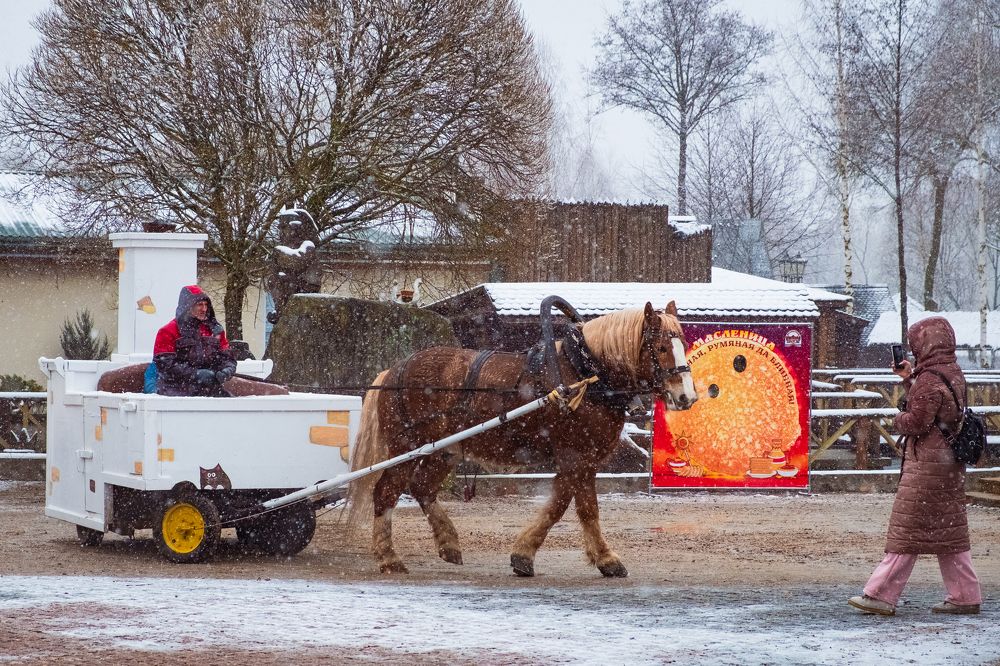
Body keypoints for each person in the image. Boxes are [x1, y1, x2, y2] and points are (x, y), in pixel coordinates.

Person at [849, 316, 982, 616]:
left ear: (925, 344)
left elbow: (917, 421)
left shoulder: (930, 379)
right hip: (947, 465)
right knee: (950, 533)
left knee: (906, 532)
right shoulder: (952, 372)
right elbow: (936, 409)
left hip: (926, 468)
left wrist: (896, 418)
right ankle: (965, 595)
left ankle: (881, 594)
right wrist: (910, 380)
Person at [153, 285, 236, 397]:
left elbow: (227, 357)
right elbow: (164, 365)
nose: (204, 309)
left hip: (209, 388)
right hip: (175, 390)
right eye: (199, 305)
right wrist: (195, 374)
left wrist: (228, 369)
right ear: (188, 306)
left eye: (206, 305)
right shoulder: (168, 331)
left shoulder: (215, 330)